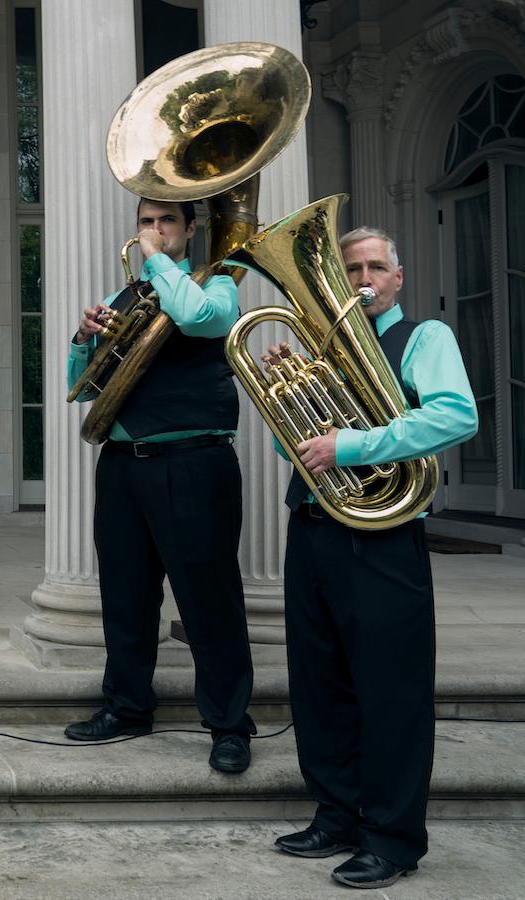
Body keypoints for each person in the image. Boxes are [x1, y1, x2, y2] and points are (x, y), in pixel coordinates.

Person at [267, 227, 476, 890]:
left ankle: (391, 837)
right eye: (351, 267)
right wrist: (291, 405)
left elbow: (455, 415)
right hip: (315, 527)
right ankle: (335, 815)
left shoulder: (425, 337)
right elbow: (296, 449)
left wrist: (348, 447)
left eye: (374, 267)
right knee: (318, 683)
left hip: (382, 535)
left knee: (392, 692)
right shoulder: (322, 346)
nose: (362, 278)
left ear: (398, 276)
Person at [63, 197, 256, 775]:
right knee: (125, 595)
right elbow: (86, 387)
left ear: (190, 229)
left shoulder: (218, 284)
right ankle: (127, 706)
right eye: (145, 222)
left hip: (194, 462)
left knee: (209, 600)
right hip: (124, 463)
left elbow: (199, 319)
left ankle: (228, 723)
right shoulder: (127, 297)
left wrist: (159, 264)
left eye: (166, 221)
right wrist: (83, 337)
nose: (153, 231)